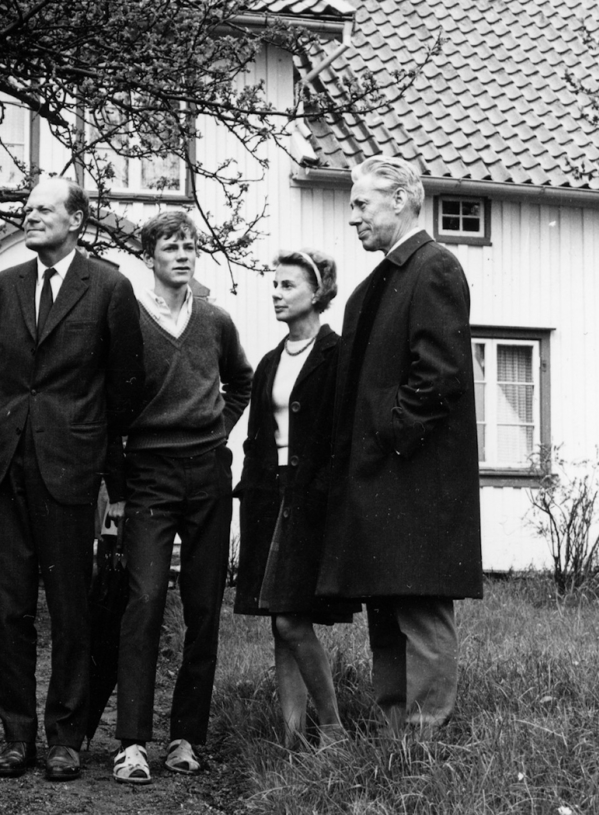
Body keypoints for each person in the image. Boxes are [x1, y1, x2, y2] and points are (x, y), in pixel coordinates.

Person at [0, 177, 145, 781]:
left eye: (44, 209)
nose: (30, 216)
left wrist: (95, 453)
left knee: (71, 609)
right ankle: (16, 736)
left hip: (71, 468)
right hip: (8, 464)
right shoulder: (5, 286)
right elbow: (1, 370)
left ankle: (66, 738)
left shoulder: (109, 287)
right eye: (27, 208)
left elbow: (126, 387)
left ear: (76, 219)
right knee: (11, 609)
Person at [318, 155, 483, 735]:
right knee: (386, 608)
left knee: (419, 607)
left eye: (361, 204)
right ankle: (395, 737)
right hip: (380, 481)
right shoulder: (376, 284)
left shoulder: (434, 268)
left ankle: (425, 740)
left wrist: (388, 433)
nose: (353, 217)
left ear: (401, 200)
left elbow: (440, 377)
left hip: (413, 480)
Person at [111, 211, 252, 785]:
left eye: (190, 247)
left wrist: (218, 429)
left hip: (208, 473)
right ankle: (132, 743)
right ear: (150, 256)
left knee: (203, 605)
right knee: (144, 600)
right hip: (150, 473)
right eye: (171, 247)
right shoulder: (128, 318)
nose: (183, 256)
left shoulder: (216, 320)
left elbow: (240, 382)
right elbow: (109, 399)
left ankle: (185, 738)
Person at [233, 249, 359, 748]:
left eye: (288, 285)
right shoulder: (269, 362)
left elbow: (346, 435)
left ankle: (333, 728)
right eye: (275, 285)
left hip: (312, 502)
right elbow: (255, 438)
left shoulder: (338, 355)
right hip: (269, 497)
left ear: (318, 292)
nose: (276, 294)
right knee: (279, 619)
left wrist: (325, 491)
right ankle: (292, 739)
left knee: (291, 616)